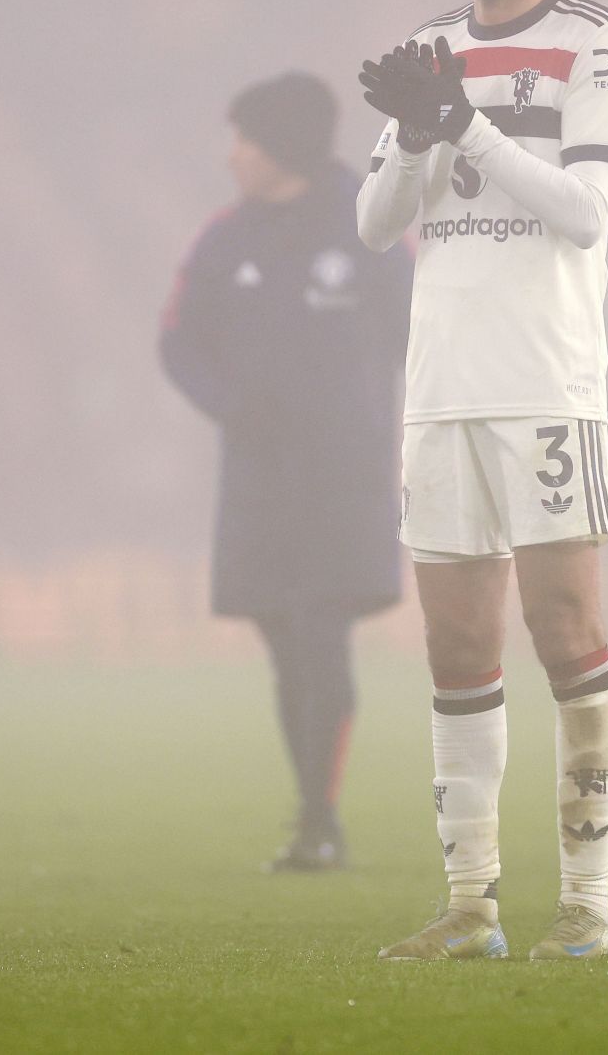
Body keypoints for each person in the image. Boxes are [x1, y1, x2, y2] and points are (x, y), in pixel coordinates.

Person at [354, 0, 608, 962]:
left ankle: (586, 904)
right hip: (440, 390)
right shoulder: (435, 47)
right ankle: (471, 904)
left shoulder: (597, 41)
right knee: (457, 646)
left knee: (567, 632)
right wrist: (425, 133)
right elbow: (378, 224)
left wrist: (462, 123)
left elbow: (584, 212)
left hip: (546, 381)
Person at [159, 71, 409, 872]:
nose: (230, 156)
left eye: (241, 139)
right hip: (259, 478)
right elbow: (176, 342)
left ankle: (318, 819)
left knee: (320, 630)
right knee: (282, 639)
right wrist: (228, 406)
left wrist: (376, 412)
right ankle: (313, 810)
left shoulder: (370, 222)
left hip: (345, 476)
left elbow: (422, 328)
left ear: (278, 147)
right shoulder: (223, 238)